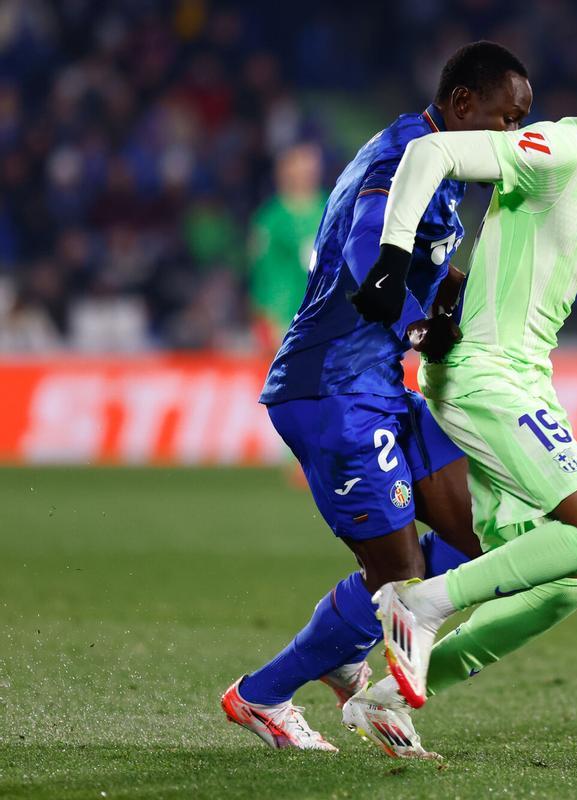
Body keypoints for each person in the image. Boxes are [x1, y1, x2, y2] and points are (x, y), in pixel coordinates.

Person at [348, 21, 577, 752]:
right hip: (485, 375)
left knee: (567, 580)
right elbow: (433, 151)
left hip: (524, 384)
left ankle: (387, 700)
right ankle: (417, 606)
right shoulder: (560, 149)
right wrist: (392, 256)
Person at [220, 41, 533, 756]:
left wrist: (465, 298)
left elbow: (428, 264)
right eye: (504, 119)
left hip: (381, 389)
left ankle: (341, 646)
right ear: (461, 106)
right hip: (330, 390)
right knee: (399, 578)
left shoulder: (446, 166)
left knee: (479, 536)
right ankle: (260, 695)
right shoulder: (398, 159)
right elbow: (370, 250)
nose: (512, 138)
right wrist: (418, 325)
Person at [247, 142, 326, 349]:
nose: (307, 171)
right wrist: (267, 318)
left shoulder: (332, 210)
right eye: (299, 164)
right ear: (284, 170)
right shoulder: (271, 219)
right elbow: (261, 273)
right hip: (282, 321)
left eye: (311, 165)